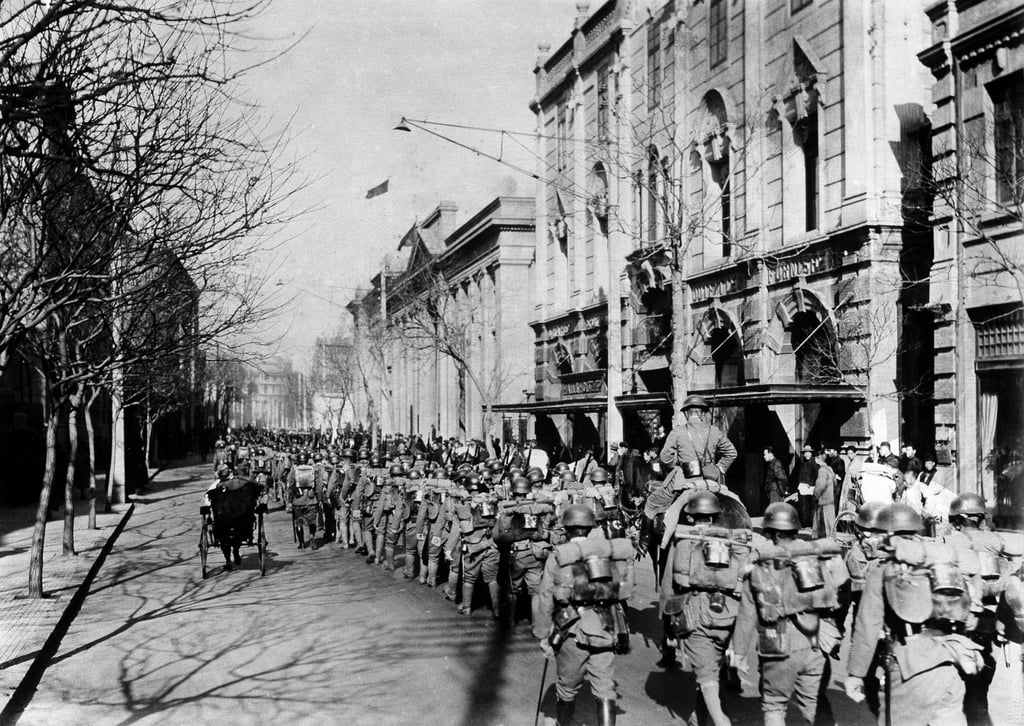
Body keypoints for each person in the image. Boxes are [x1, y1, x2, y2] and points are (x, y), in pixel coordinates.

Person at [845, 503, 981, 726]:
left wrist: (855, 674)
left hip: (909, 671)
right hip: (948, 665)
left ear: (888, 535)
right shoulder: (942, 564)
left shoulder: (882, 571)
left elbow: (867, 626)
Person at [733, 503, 845, 726]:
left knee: (774, 706)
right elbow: (837, 591)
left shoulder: (760, 566)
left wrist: (738, 654)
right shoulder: (815, 557)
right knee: (812, 705)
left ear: (772, 533)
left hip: (778, 646)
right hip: (814, 644)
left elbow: (747, 615)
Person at [535, 504, 634, 726]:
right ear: (590, 528)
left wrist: (543, 634)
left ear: (566, 529)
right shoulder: (607, 552)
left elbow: (545, 597)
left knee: (567, 687)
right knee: (605, 688)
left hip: (572, 629)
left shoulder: (559, 556)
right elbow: (624, 586)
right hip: (605, 627)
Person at [902, 452, 956, 536]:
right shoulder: (921, 474)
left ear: (934, 463)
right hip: (923, 500)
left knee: (935, 523)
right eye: (926, 463)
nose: (927, 465)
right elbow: (917, 485)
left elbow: (939, 488)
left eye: (929, 463)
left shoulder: (939, 474)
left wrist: (926, 490)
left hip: (937, 500)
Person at [812, 448, 836, 538]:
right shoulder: (829, 468)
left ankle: (825, 540)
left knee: (822, 521)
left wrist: (815, 495)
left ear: (817, 458)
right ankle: (831, 537)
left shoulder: (821, 470)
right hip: (830, 498)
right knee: (830, 521)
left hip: (823, 500)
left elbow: (820, 485)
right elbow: (835, 483)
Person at [793, 444, 817, 527]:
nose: (807, 454)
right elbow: (798, 473)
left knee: (811, 505)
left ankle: (810, 522)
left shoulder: (814, 462)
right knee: (803, 505)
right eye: (805, 453)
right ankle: (804, 522)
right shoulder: (802, 462)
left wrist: (811, 483)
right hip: (802, 486)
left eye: (808, 453)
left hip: (810, 487)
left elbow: (816, 474)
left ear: (811, 453)